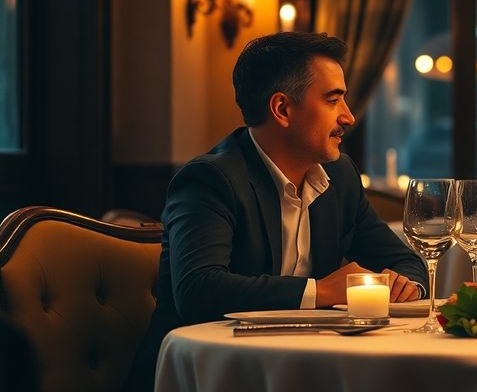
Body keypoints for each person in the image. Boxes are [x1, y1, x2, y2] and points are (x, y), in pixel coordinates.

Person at [126, 32, 427, 390]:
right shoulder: (211, 179)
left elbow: (407, 262)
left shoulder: (340, 175)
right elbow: (199, 290)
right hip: (210, 374)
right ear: (283, 109)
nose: (348, 117)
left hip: (303, 369)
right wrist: (322, 291)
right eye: (333, 101)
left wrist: (401, 287)